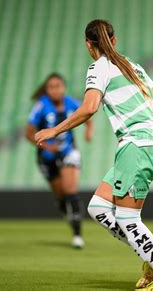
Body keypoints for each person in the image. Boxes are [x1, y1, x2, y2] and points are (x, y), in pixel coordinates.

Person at [35, 19, 153, 290]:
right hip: (150, 145)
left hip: (136, 147)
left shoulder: (98, 68)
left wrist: (54, 130)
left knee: (127, 219)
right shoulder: (131, 65)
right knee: (99, 208)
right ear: (114, 41)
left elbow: (89, 107)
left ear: (88, 45)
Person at [26, 73, 94, 249]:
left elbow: (87, 116)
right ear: (47, 90)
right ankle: (69, 216)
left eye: (58, 86)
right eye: (51, 87)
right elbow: (28, 133)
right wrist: (47, 148)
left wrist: (88, 132)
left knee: (70, 190)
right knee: (61, 196)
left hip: (68, 152)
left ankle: (77, 235)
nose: (55, 90)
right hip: (47, 157)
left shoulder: (71, 102)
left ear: (63, 87)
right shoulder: (40, 106)